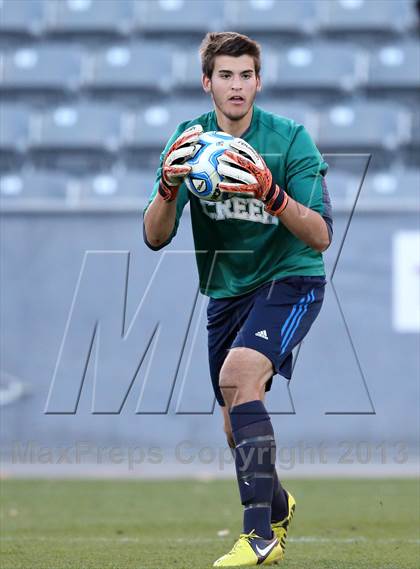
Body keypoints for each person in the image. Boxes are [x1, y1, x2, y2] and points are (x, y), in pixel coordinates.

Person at [143, 32, 332, 568]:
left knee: (240, 375)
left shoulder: (291, 138)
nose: (236, 86)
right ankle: (278, 503)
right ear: (207, 82)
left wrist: (271, 192)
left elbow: (319, 235)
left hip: (291, 277)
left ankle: (260, 536)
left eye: (246, 75)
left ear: (258, 81)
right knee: (233, 421)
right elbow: (155, 237)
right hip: (227, 290)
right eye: (225, 75)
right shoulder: (187, 140)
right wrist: (165, 187)